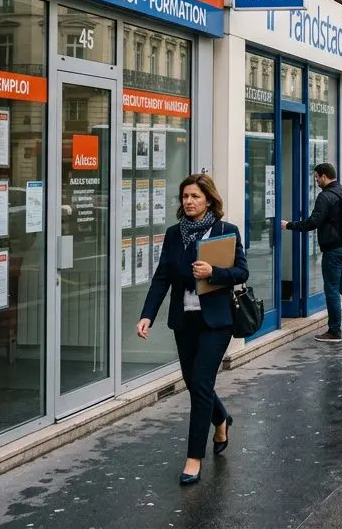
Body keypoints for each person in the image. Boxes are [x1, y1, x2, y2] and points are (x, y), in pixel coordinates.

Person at [138, 173, 248, 485]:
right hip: (184, 321)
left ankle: (193, 458)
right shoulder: (174, 234)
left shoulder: (226, 231)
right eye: (185, 196)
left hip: (216, 322)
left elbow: (242, 271)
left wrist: (215, 272)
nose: (188, 202)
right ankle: (221, 418)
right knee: (195, 382)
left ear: (209, 200)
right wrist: (147, 314)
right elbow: (162, 278)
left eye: (195, 197)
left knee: (200, 382)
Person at [282, 163, 342, 344]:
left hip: (334, 251)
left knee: (332, 289)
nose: (315, 180)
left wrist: (289, 225)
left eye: (317, 177)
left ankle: (334, 331)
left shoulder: (325, 197)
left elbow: (313, 222)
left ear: (324, 176)